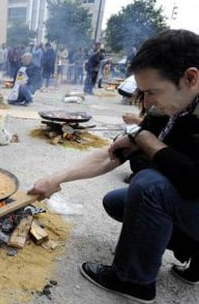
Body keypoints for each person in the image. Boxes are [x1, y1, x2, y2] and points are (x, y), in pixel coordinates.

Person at [28, 29, 199, 303]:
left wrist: (145, 140)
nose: (146, 103)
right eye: (143, 93)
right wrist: (55, 178)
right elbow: (114, 153)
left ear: (190, 78)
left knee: (149, 187)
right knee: (119, 201)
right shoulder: (168, 108)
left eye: (153, 92)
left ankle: (133, 280)